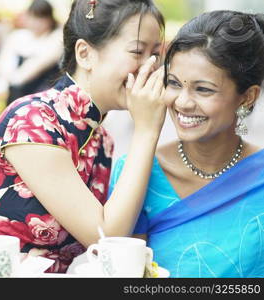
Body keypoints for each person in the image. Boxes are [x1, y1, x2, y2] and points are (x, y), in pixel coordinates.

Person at [0, 0, 167, 276]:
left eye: (156, 54)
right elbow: (106, 236)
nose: (151, 67)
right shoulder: (35, 119)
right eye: (138, 51)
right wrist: (147, 130)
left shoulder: (101, 139)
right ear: (85, 53)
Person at [110, 11, 264, 277]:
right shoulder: (138, 173)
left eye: (203, 89)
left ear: (247, 97)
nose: (182, 102)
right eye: (174, 83)